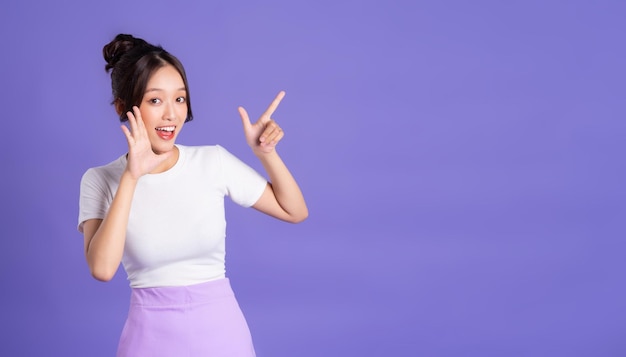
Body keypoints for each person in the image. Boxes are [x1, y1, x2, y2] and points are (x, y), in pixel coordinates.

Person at [77, 33, 308, 357]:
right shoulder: (100, 179)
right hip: (147, 341)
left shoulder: (211, 161)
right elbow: (102, 269)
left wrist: (265, 153)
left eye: (180, 99)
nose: (171, 114)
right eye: (155, 100)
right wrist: (132, 176)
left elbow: (295, 211)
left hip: (223, 339)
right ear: (123, 107)